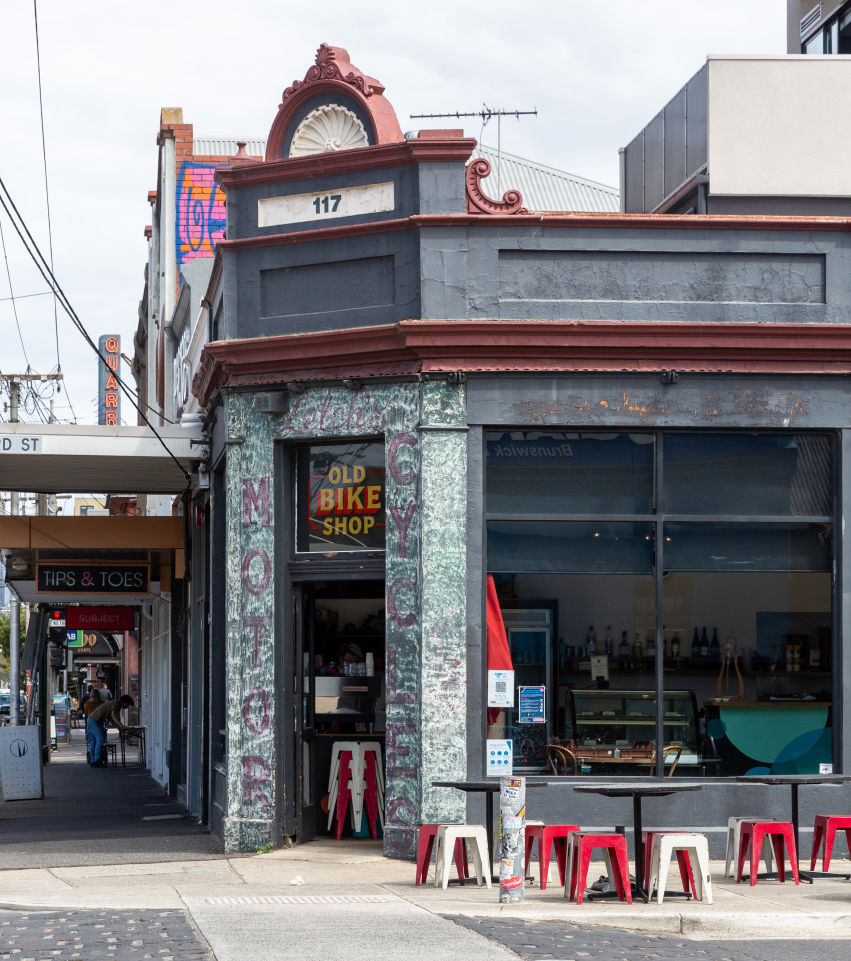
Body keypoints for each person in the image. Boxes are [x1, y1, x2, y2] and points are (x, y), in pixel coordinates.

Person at [86, 694, 134, 767]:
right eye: (128, 705)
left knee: (93, 741)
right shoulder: (116, 704)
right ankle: (97, 760)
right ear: (125, 702)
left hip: (90, 719)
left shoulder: (114, 703)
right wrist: (122, 726)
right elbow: (113, 716)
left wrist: (118, 726)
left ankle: (93, 760)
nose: (127, 707)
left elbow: (110, 718)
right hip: (95, 721)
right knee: (100, 739)